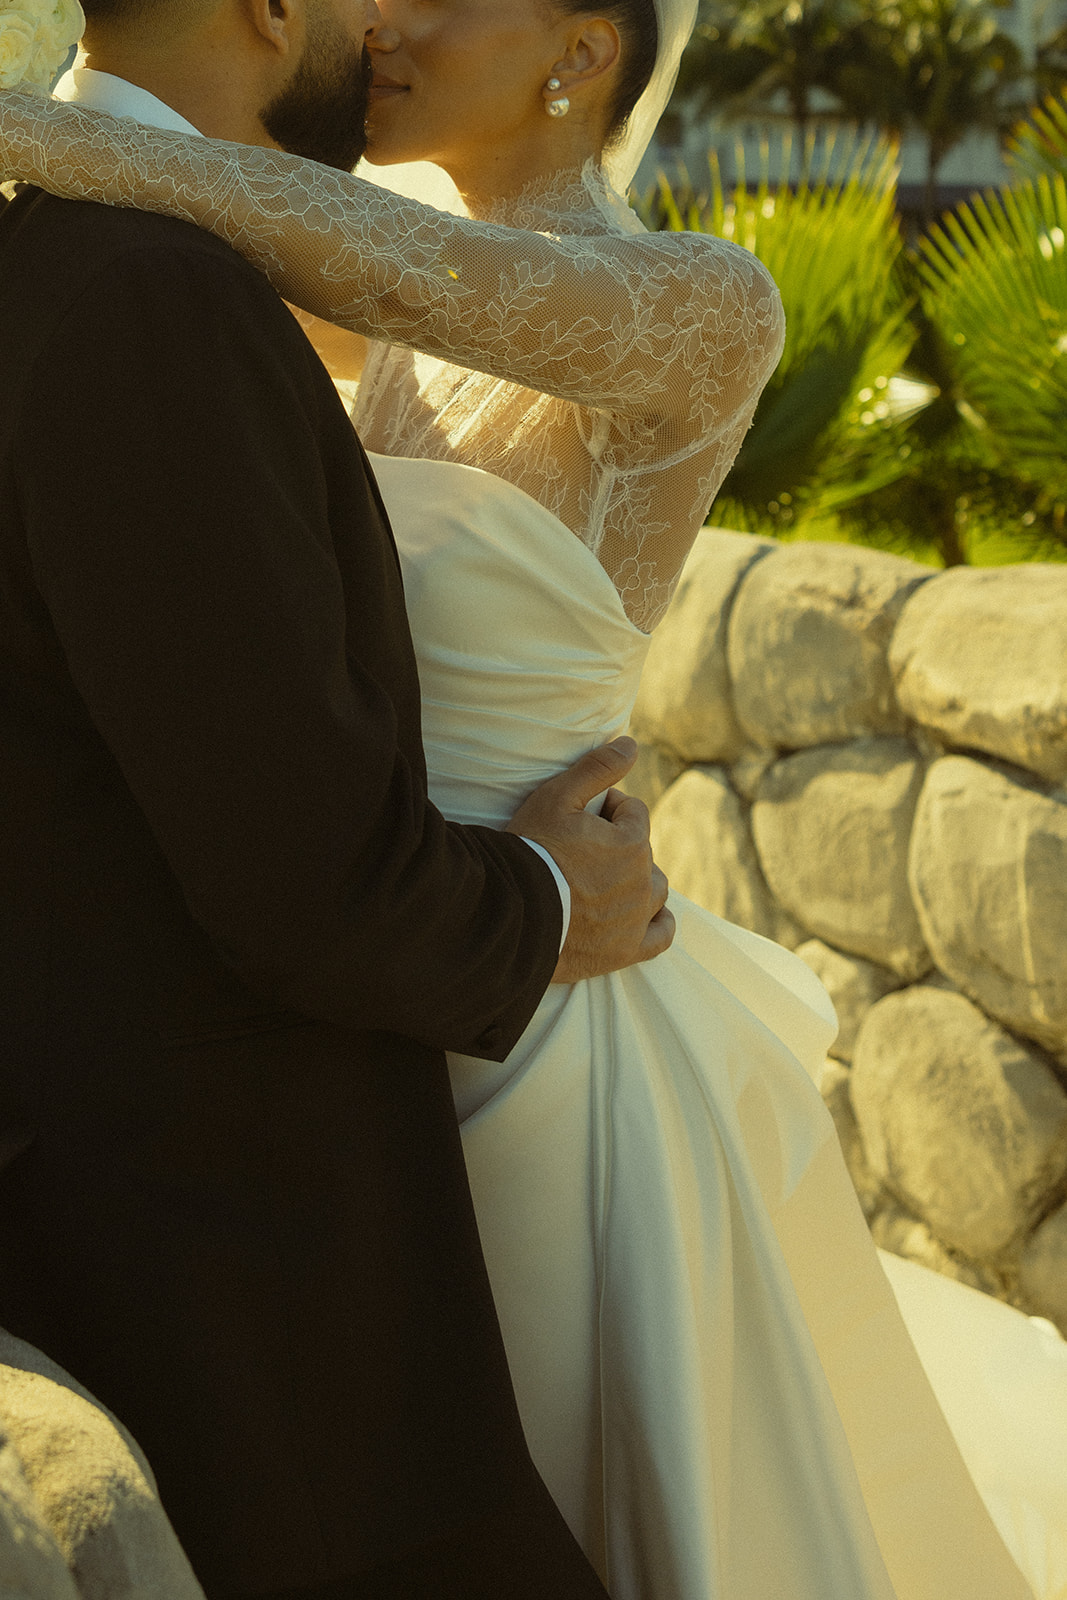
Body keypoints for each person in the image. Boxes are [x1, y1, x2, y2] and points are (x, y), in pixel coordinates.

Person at [1, 1, 1063, 1597]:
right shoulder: (309, 284)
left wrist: (46, 128)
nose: (391, 20)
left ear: (581, 53)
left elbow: (313, 235)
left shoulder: (689, 301)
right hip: (380, 977)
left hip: (539, 984)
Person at [0, 0, 679, 1597]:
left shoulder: (82, 251)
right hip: (238, 1233)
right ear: (267, 6)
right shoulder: (149, 292)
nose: (387, 20)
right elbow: (300, 873)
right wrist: (547, 899)